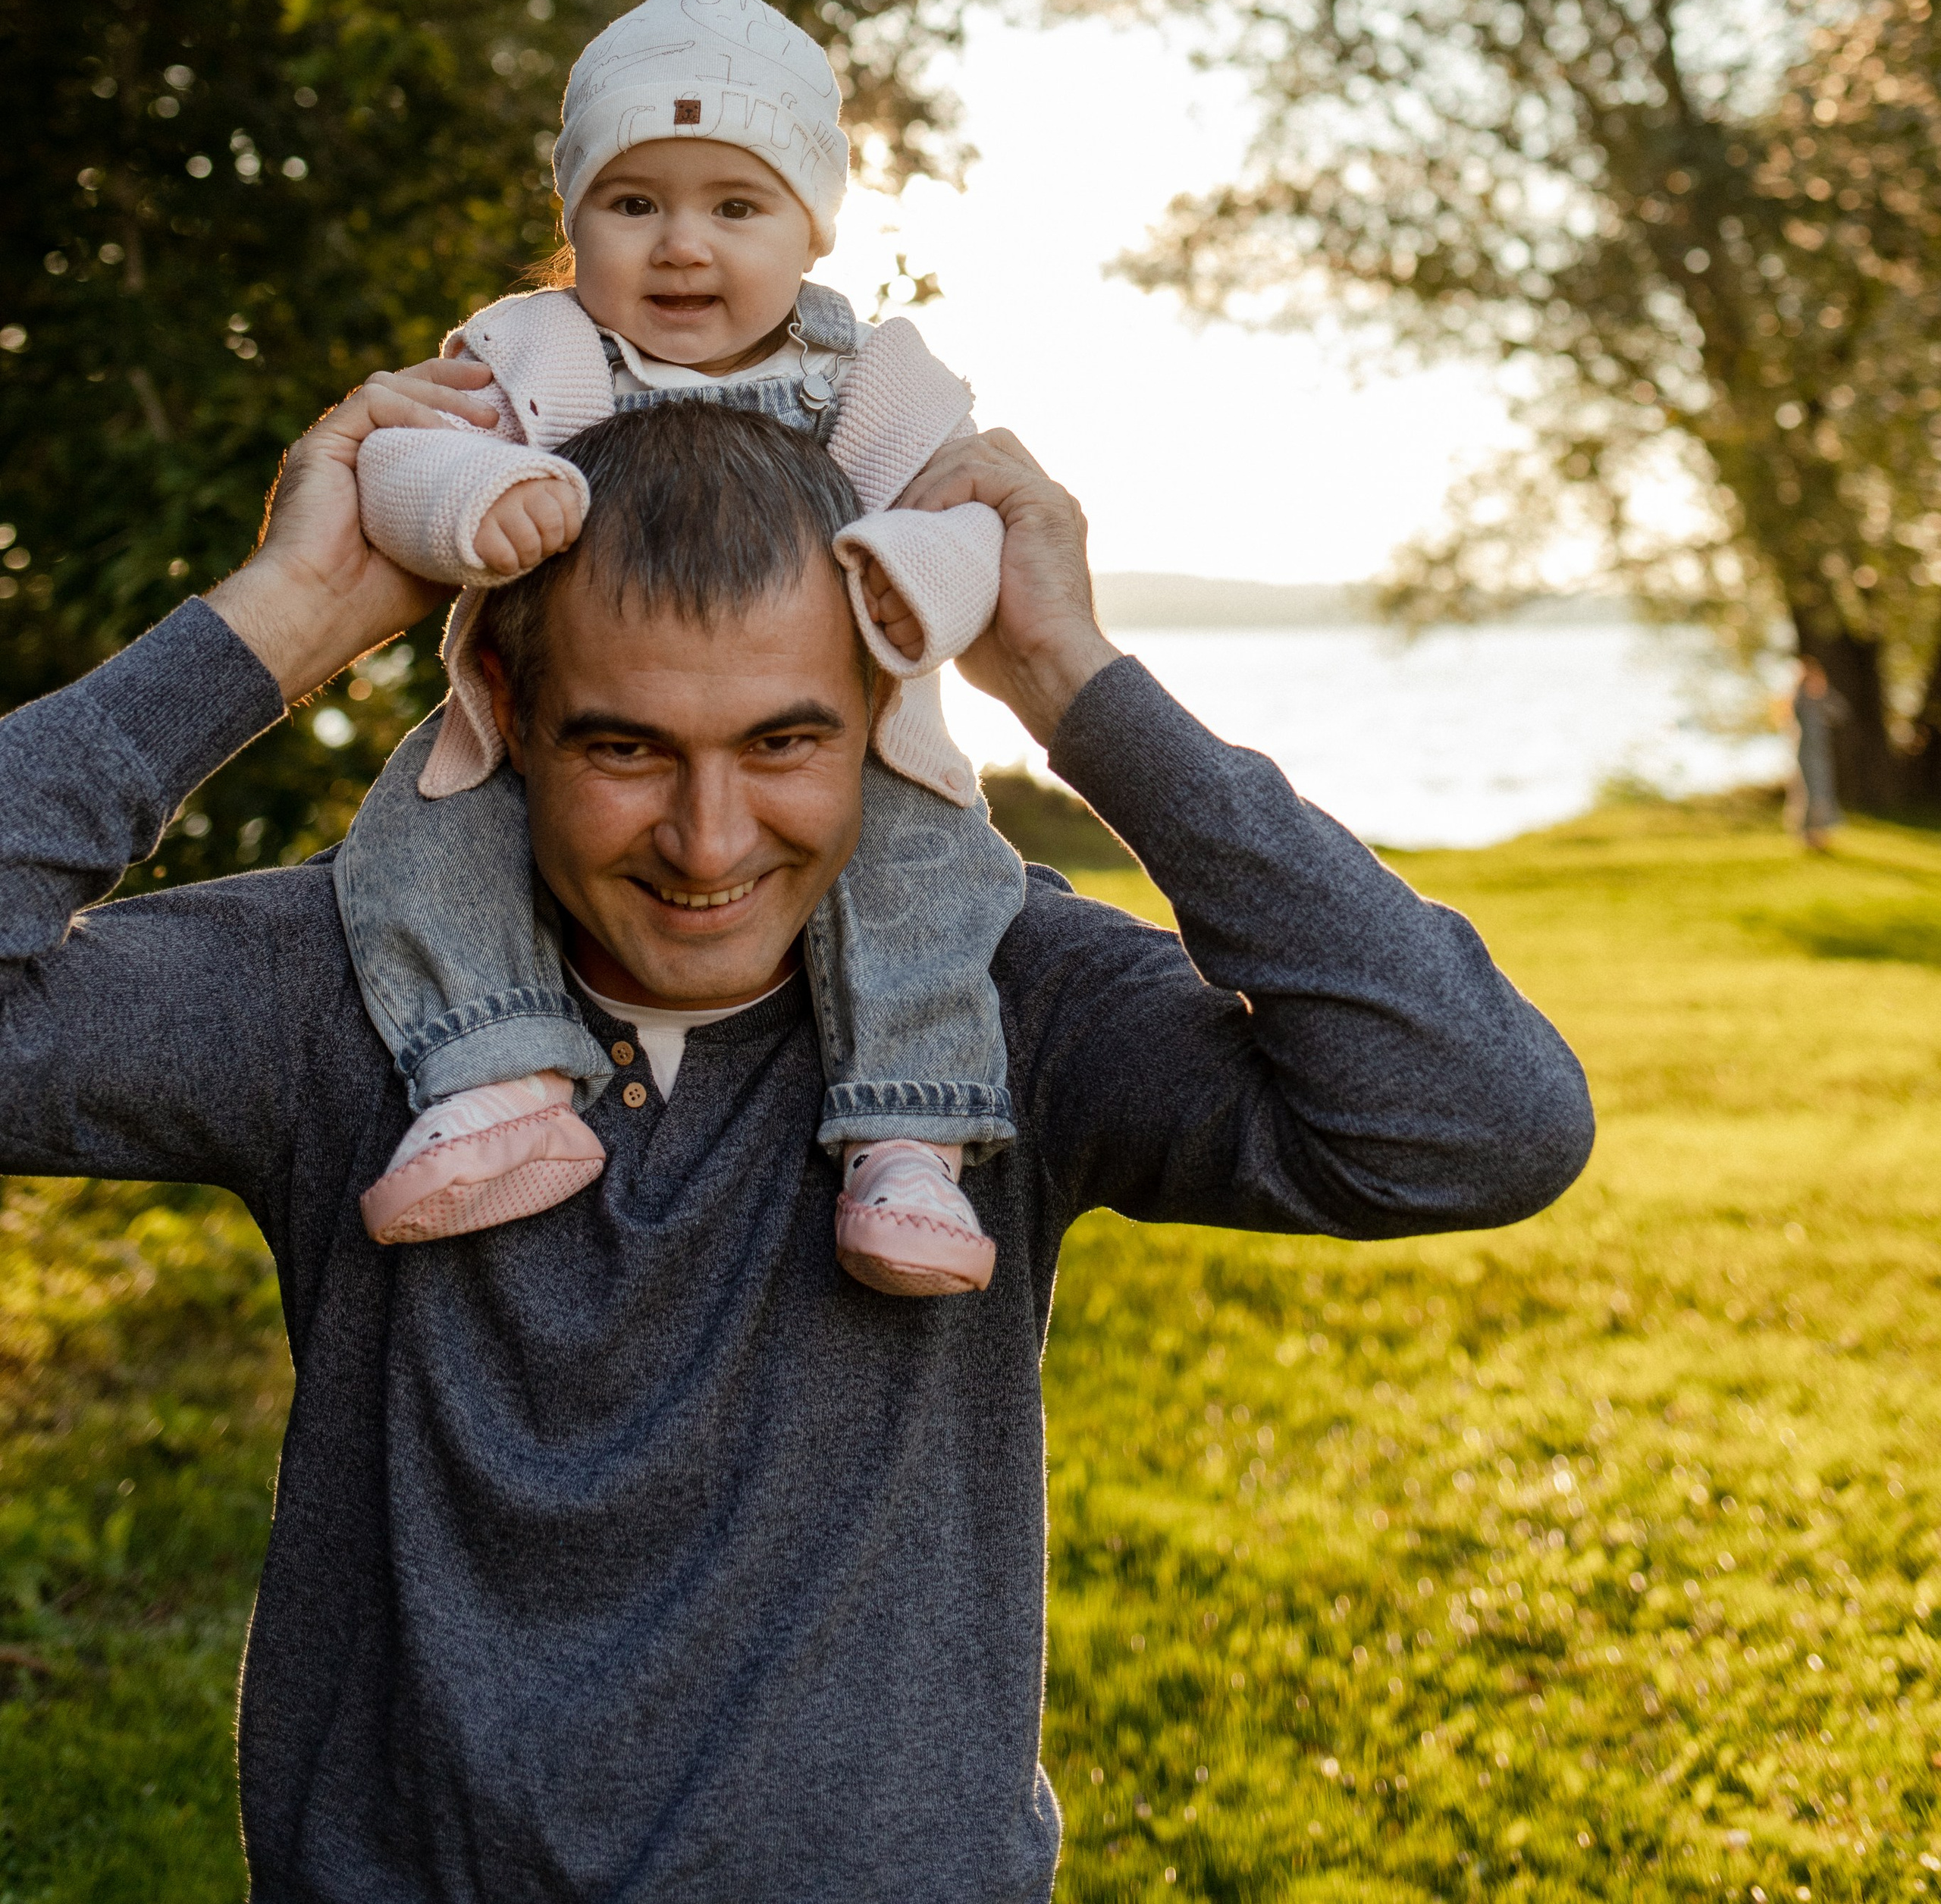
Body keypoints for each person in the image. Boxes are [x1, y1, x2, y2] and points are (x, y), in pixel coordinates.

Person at [0, 383, 1595, 1902]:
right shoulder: (337, 990)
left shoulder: (1002, 996)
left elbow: (1477, 1121)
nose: (708, 844)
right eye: (626, 747)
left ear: (887, 713)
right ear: (503, 706)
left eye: (783, 742)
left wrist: (1073, 685)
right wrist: (275, 627)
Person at [344, 0, 1023, 1290]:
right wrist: (472, 498)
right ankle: (497, 1073)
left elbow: (964, 516)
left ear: (814, 224)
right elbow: (402, 454)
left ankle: (907, 1137)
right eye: (634, 204)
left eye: (737, 206)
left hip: (850, 720)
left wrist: (916, 584)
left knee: (932, 872)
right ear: (574, 222)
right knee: (419, 837)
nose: (682, 248)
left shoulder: (863, 379)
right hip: (533, 714)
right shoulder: (538, 352)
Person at [1789, 654, 1847, 852]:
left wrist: (1825, 692)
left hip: (1822, 754)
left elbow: (1841, 713)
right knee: (1809, 793)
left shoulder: (1822, 697)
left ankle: (1821, 836)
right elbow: (1795, 714)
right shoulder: (1800, 698)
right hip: (1805, 753)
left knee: (1824, 792)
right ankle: (1808, 837)